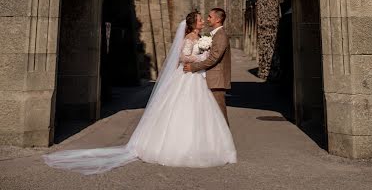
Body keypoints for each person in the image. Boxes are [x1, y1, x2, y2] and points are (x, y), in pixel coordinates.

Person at [43, 11, 236, 175]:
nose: (204, 21)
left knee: (198, 112)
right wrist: (199, 56)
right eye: (201, 19)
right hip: (187, 75)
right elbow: (183, 56)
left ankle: (201, 144)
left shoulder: (203, 38)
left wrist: (201, 56)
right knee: (181, 110)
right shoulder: (190, 38)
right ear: (194, 23)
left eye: (206, 18)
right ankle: (178, 146)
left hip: (195, 76)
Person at [183, 8, 231, 124]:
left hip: (216, 80)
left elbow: (214, 58)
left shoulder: (220, 35)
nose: (207, 19)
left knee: (220, 114)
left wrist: (194, 67)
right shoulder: (213, 35)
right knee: (211, 114)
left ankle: (225, 140)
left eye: (210, 17)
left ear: (218, 19)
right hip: (207, 78)